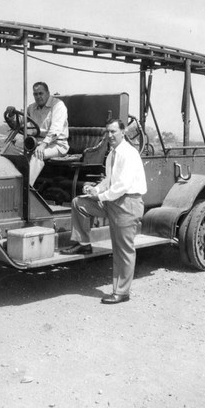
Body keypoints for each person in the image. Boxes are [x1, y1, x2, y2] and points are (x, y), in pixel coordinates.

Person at [60, 118, 147, 304]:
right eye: (107, 132)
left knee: (123, 250)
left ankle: (122, 292)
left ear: (123, 132)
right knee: (79, 203)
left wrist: (100, 196)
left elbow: (122, 186)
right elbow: (110, 180)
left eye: (114, 132)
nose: (110, 135)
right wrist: (95, 190)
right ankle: (83, 243)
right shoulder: (112, 154)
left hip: (127, 204)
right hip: (112, 201)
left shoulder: (128, 154)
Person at [27, 82, 69, 185]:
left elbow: (55, 130)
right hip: (37, 142)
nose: (38, 97)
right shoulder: (31, 107)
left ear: (48, 93)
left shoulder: (58, 105)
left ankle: (25, 188)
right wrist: (11, 118)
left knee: (37, 154)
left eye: (41, 93)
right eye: (35, 94)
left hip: (57, 144)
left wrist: (43, 145)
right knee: (15, 151)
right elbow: (21, 119)